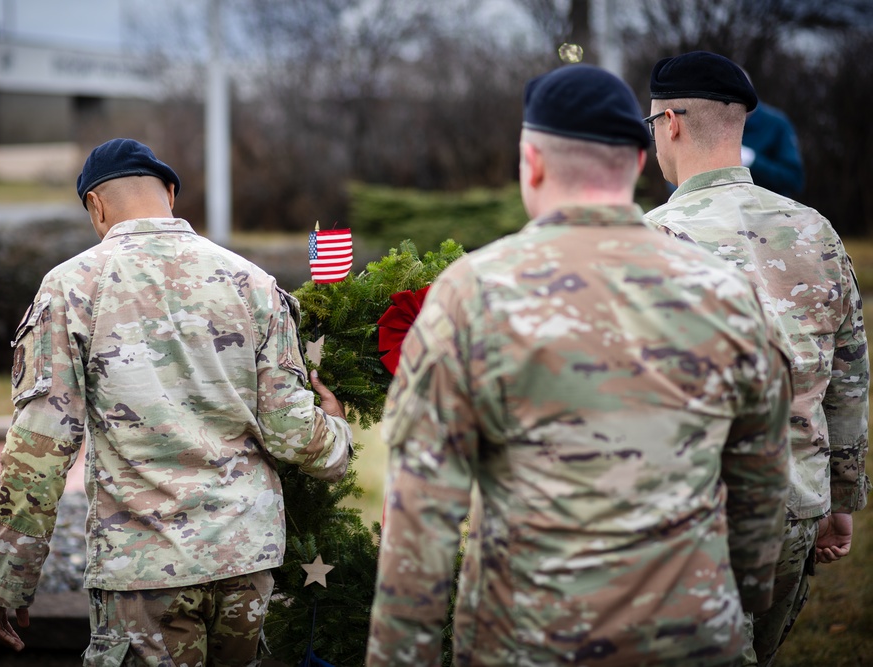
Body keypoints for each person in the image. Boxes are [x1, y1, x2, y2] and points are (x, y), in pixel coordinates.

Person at [366, 64, 793, 666]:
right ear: (638, 163)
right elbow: (762, 473)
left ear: (532, 162)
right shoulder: (723, 292)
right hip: (692, 638)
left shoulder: (472, 294)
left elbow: (422, 514)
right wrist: (746, 588)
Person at [0, 138, 353, 666]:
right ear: (171, 194)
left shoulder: (69, 288)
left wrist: (10, 576)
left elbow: (40, 449)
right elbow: (293, 432)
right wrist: (337, 434)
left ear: (96, 205)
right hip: (244, 566)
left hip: (143, 573)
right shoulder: (254, 282)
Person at [643, 51, 869, 666]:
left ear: (671, 122)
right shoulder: (817, 231)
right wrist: (841, 502)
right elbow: (847, 379)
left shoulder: (648, 241)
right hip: (797, 505)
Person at [739, 71, 805, 197]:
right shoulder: (716, 123)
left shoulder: (778, 125)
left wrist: (754, 161)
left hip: (769, 211)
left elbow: (794, 179)